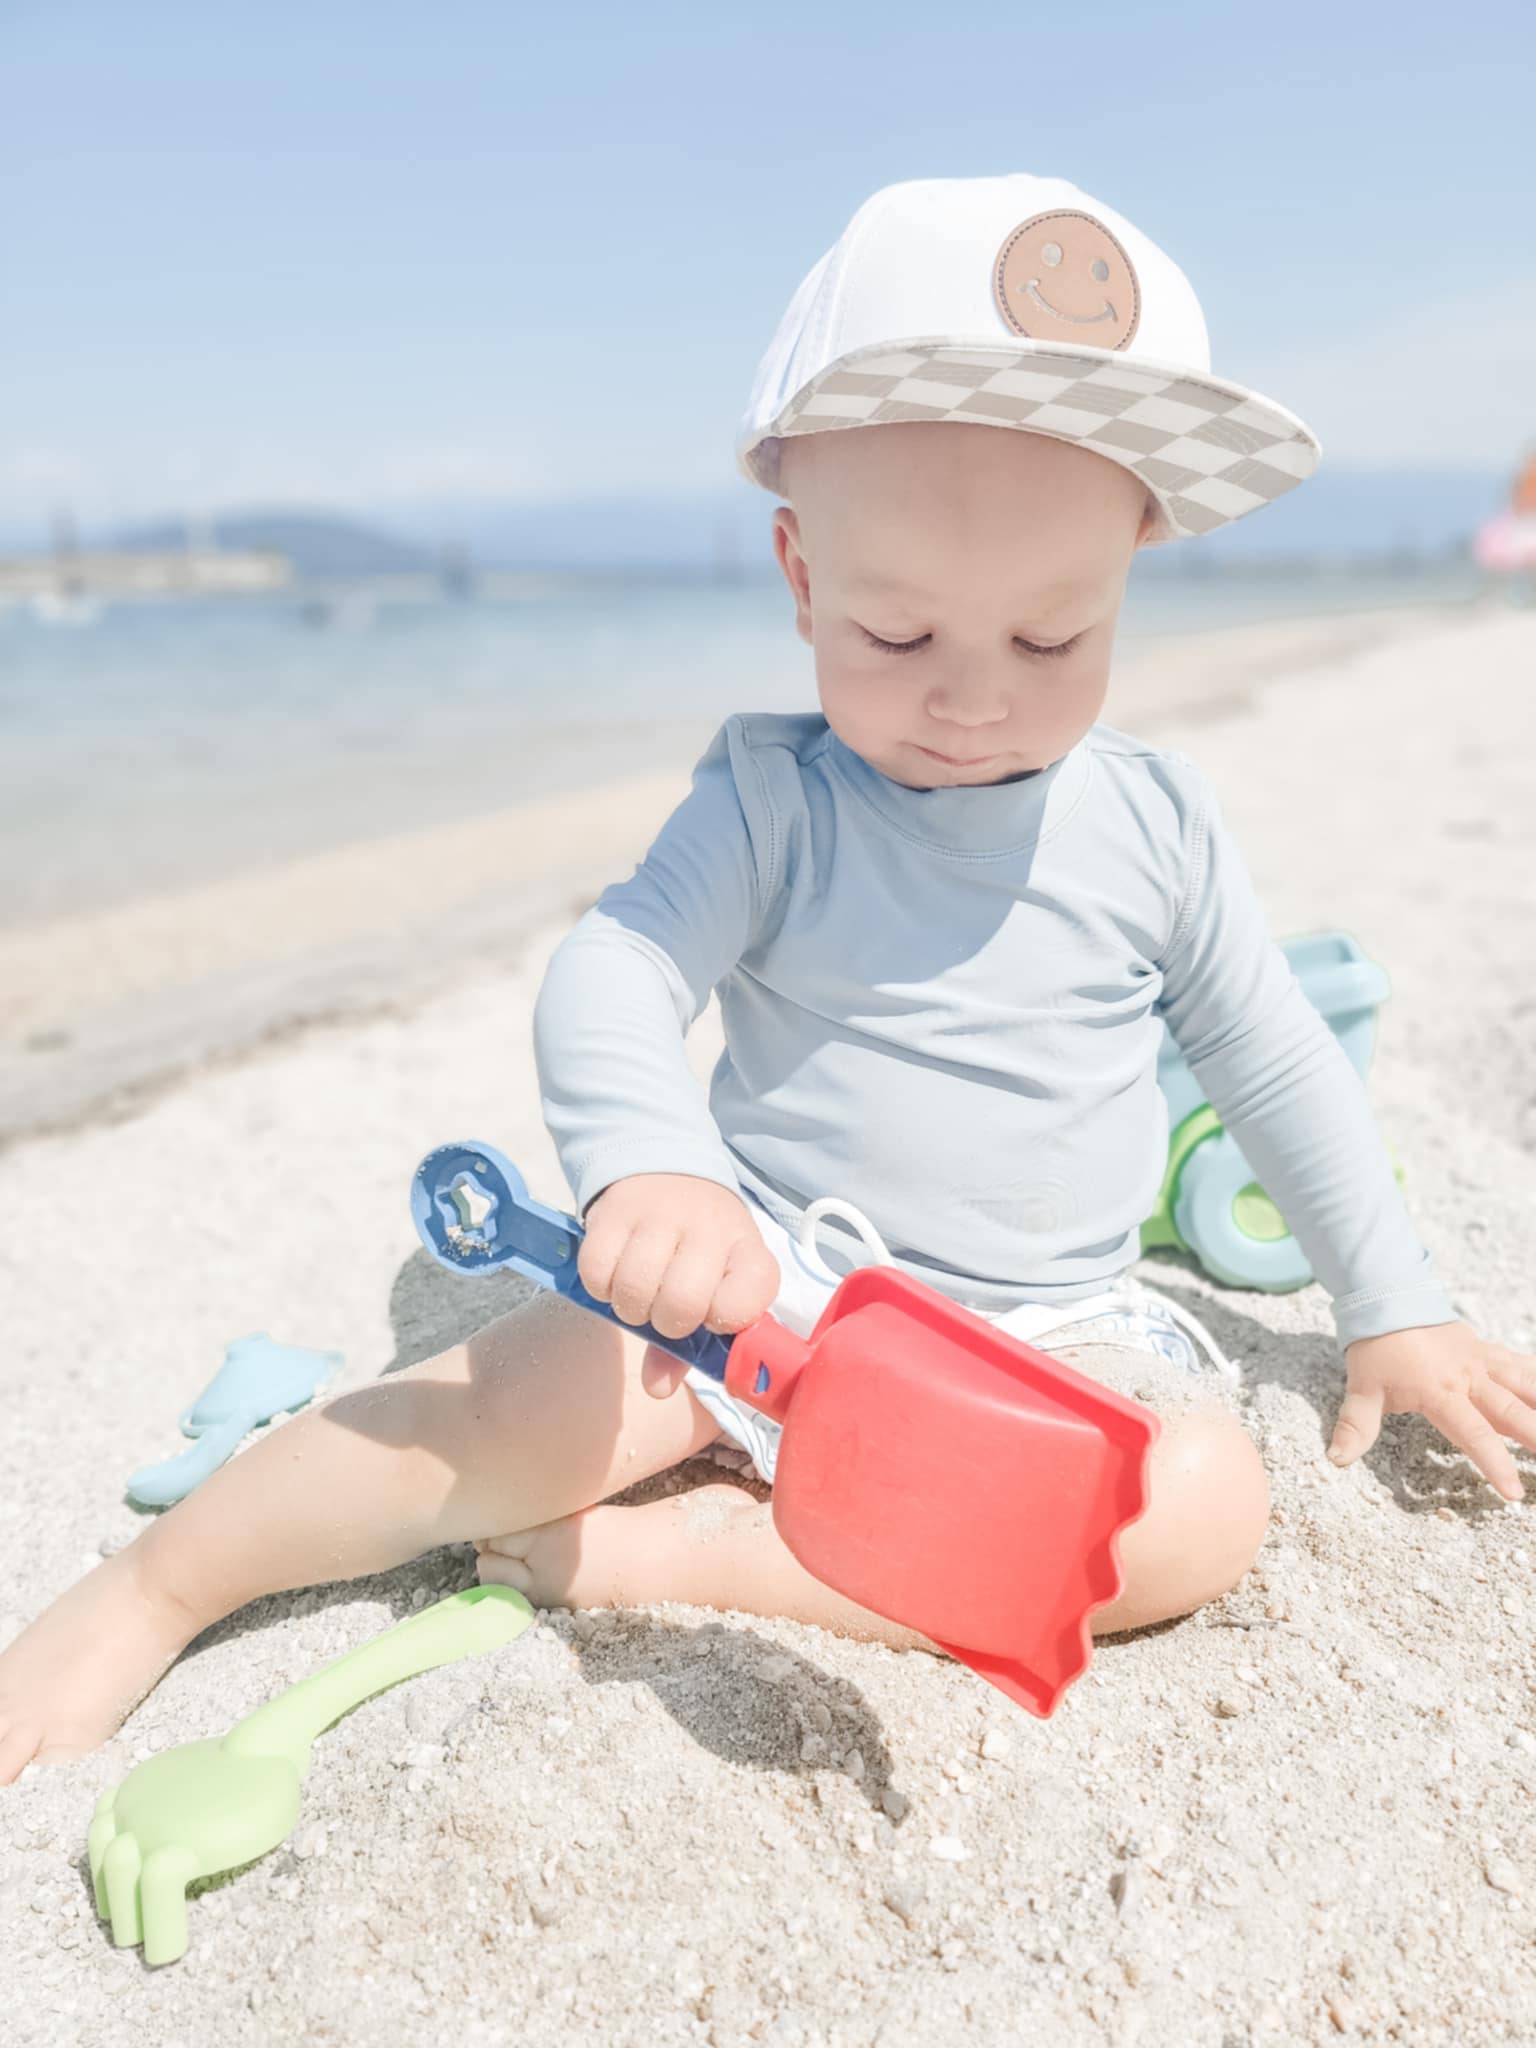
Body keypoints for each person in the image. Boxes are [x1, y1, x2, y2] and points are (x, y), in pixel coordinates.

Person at [3, 174, 1532, 1782]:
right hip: (775, 1289)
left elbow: (1275, 1058)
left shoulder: (1153, 822)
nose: (968, 704)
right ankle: (159, 1587)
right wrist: (660, 1171)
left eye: (1048, 641)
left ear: (1133, 560)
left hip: (1048, 1335)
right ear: (803, 579)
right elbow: (616, 970)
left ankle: (730, 1560)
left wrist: (1395, 1308)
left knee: (1205, 1506)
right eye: (892, 634)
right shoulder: (775, 804)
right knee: (485, 1419)